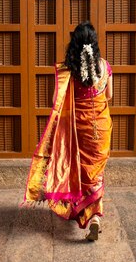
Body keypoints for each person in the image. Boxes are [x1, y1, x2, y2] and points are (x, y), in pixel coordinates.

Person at [23, 21, 113, 241]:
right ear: (95, 43)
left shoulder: (67, 71)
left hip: (77, 130)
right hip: (100, 127)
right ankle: (94, 218)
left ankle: (85, 212)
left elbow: (56, 101)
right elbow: (109, 96)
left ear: (74, 44)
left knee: (79, 171)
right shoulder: (105, 66)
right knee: (95, 173)